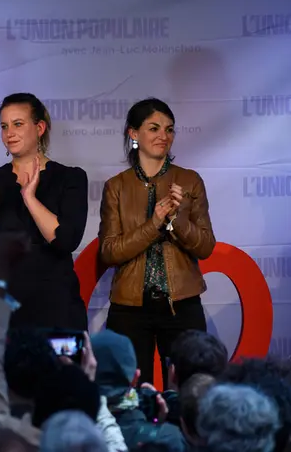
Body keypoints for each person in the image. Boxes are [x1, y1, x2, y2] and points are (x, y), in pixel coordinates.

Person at [99, 97, 216, 387]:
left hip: (182, 304)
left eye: (169, 129)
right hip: (129, 307)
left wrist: (176, 221)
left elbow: (206, 246)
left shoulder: (189, 181)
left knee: (190, 390)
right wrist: (155, 224)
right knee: (130, 394)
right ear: (133, 134)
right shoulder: (117, 186)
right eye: (154, 128)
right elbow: (110, 252)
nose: (163, 136)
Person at [0, 93, 88, 330]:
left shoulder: (70, 177)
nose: (9, 133)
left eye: (18, 124)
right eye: (4, 126)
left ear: (40, 127)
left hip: (52, 301)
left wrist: (29, 197)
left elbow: (65, 240)